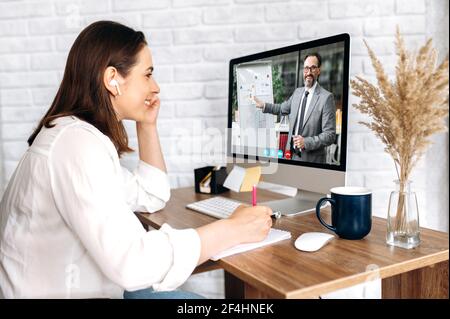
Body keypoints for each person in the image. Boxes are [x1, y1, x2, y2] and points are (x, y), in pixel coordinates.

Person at [0, 21, 272, 299]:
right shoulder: (76, 145)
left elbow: (152, 193)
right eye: (148, 75)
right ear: (112, 79)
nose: (155, 88)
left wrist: (147, 124)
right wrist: (231, 230)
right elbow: (131, 263)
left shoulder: (74, 135)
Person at [254, 53, 336, 164]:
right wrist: (264, 105)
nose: (309, 72)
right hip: (292, 156)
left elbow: (329, 135)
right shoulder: (298, 92)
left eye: (313, 68)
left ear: (318, 71)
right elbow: (282, 109)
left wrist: (306, 142)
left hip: (312, 161)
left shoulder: (326, 98)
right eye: (306, 68)